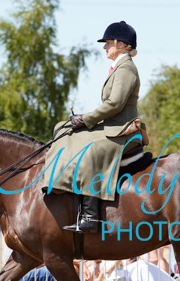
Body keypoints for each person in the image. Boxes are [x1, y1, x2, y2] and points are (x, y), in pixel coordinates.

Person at [42, 21, 143, 233]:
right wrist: (81, 119)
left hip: (123, 131)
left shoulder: (127, 69)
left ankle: (90, 215)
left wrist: (86, 119)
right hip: (111, 127)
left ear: (122, 44)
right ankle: (58, 182)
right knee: (63, 129)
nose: (104, 47)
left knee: (89, 152)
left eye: (108, 43)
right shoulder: (118, 68)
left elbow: (115, 104)